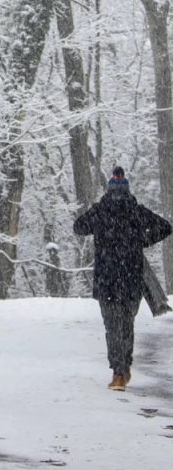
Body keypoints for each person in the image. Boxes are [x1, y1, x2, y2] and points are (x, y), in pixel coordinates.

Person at [73, 165, 171, 391]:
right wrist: (142, 241)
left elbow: (79, 227)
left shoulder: (101, 210)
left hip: (107, 279)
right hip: (131, 277)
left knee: (113, 327)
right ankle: (123, 369)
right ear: (126, 190)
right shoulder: (135, 210)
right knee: (126, 325)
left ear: (109, 190)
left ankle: (118, 372)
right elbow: (165, 227)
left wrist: (99, 217)